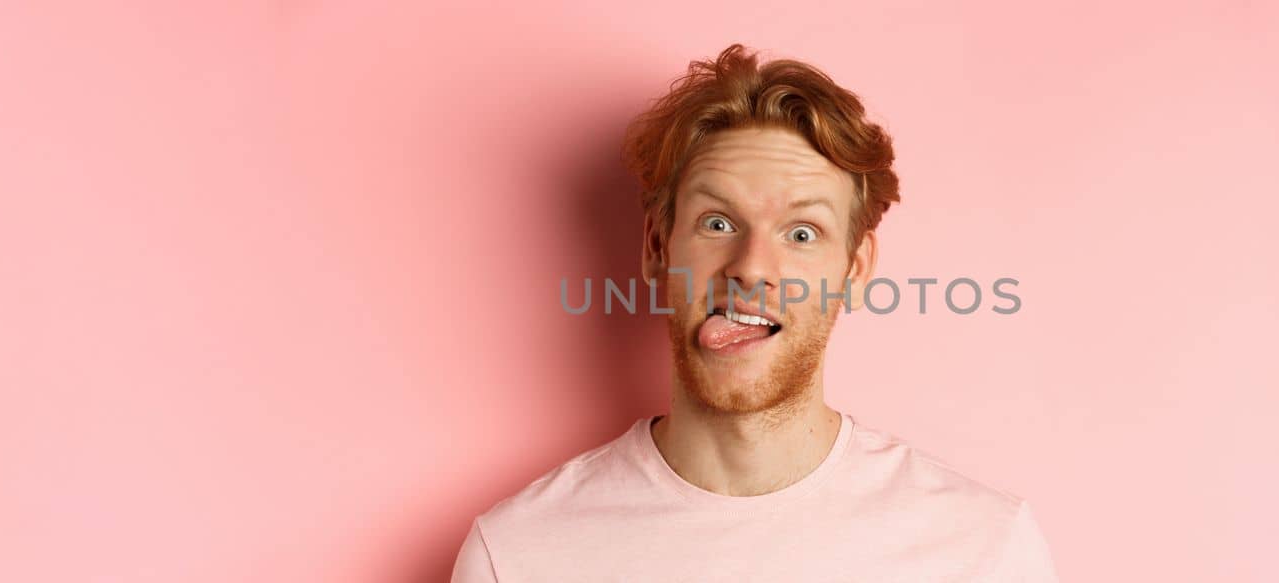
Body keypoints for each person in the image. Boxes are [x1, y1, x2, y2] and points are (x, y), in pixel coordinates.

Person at [451, 43, 1059, 582]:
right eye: (717, 223)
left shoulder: (984, 550)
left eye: (800, 233)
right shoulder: (518, 556)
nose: (751, 267)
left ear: (853, 269)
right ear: (658, 250)